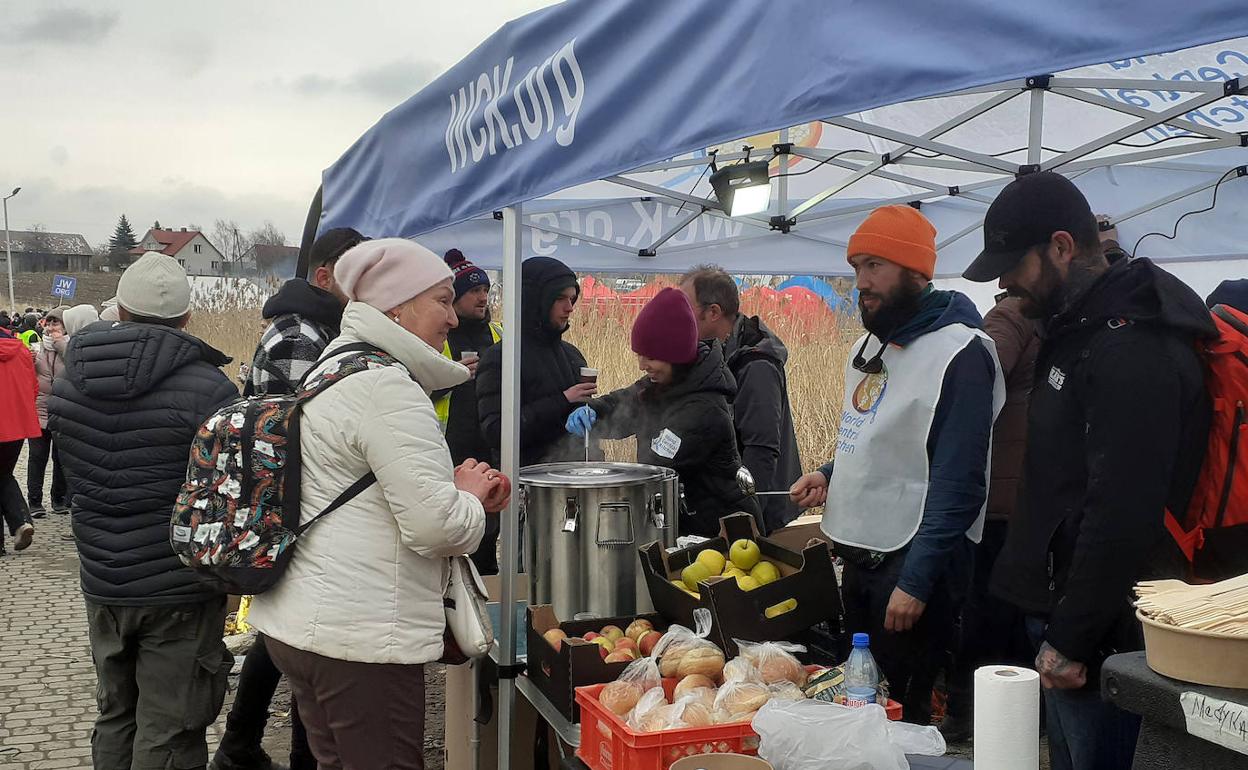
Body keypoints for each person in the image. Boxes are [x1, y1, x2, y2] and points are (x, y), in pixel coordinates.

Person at [964, 173, 1215, 770]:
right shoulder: (1077, 331)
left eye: (1012, 263)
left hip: (1106, 639)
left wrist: (1073, 638)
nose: (1002, 282)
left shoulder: (1133, 348)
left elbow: (1123, 508)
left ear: (1060, 247)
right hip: (1064, 615)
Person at [249, 238, 504, 770]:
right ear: (396, 307)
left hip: (304, 621)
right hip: (359, 637)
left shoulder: (332, 366)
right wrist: (472, 498)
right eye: (440, 300)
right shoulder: (386, 387)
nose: (451, 319)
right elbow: (436, 528)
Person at [790, 205, 1004, 725]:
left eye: (875, 266)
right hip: (862, 557)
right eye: (857, 266)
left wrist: (916, 582)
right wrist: (829, 473)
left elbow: (959, 483)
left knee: (900, 716)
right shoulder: (870, 344)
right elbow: (873, 433)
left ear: (916, 271)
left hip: (912, 565)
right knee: (861, 702)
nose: (861, 280)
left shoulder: (961, 353)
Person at [49, 252, 240, 770]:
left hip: (103, 578)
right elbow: (225, 491)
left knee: (115, 715)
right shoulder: (210, 388)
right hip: (178, 583)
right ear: (185, 318)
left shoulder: (71, 379)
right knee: (171, 726)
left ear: (122, 311)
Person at [213, 227, 365, 770]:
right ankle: (266, 751)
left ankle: (242, 748)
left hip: (295, 506)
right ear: (325, 276)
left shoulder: (312, 326)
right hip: (294, 506)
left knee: (282, 633)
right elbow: (305, 435)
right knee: (296, 635)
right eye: (356, 274)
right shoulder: (302, 334)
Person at [565, 288, 759, 536]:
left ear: (676, 356)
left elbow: (656, 466)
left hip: (723, 532)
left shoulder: (704, 408)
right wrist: (593, 412)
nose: (642, 366)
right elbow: (623, 404)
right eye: (640, 356)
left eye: (651, 358)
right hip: (690, 526)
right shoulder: (663, 384)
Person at [940, 293, 1039, 741]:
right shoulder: (1012, 315)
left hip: (1014, 500)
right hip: (1003, 501)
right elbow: (982, 375)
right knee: (989, 615)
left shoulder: (1037, 318)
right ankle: (970, 716)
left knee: (999, 615)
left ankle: (998, 719)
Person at [679, 265, 802, 533]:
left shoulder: (756, 364)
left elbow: (761, 452)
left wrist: (744, 523)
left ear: (713, 312)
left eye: (685, 309)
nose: (678, 318)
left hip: (760, 518)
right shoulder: (712, 355)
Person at [477, 256, 597, 467]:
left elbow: (583, 426)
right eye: (560, 298)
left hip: (576, 481)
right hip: (527, 486)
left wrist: (594, 414)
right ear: (535, 300)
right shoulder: (502, 358)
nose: (569, 308)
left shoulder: (572, 355)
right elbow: (496, 431)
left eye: (572, 299)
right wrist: (562, 400)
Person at [433, 248, 503, 575]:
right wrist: (452, 374)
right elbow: (413, 388)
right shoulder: (436, 338)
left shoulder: (500, 335)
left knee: (488, 536)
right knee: (454, 536)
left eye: (486, 290)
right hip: (448, 453)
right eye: (474, 291)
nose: (483, 297)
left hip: (490, 449)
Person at [245, 227, 363, 397]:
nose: (367, 285)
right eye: (357, 274)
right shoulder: (298, 341)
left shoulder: (318, 326)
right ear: (324, 278)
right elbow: (290, 420)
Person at [1, 321, 40, 555]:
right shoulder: (22, 350)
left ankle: (19, 523)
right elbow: (33, 387)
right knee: (3, 474)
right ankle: (20, 522)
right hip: (16, 426)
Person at [28, 307, 69, 518]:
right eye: (49, 324)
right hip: (39, 410)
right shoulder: (38, 348)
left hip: (62, 412)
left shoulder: (71, 346)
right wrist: (29, 359)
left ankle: (59, 499)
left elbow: (72, 363)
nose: (52, 328)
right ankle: (34, 501)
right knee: (37, 457)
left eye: (57, 323)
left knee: (60, 458)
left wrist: (60, 343)